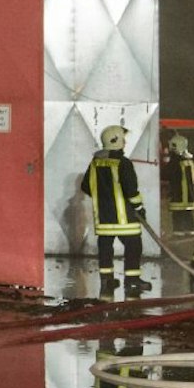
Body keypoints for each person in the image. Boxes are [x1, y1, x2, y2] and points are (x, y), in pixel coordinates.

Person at [81, 124, 148, 296]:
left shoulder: (95, 163)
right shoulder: (123, 163)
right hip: (124, 218)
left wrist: (102, 197)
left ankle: (107, 280)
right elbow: (131, 189)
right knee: (133, 245)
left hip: (103, 218)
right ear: (115, 140)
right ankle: (132, 281)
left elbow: (86, 186)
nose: (125, 142)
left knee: (105, 248)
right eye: (122, 139)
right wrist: (139, 208)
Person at [166, 134, 194, 235]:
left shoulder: (175, 162)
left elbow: (166, 174)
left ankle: (178, 231)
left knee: (177, 214)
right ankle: (190, 229)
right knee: (188, 213)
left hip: (178, 195)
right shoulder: (190, 161)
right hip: (189, 195)